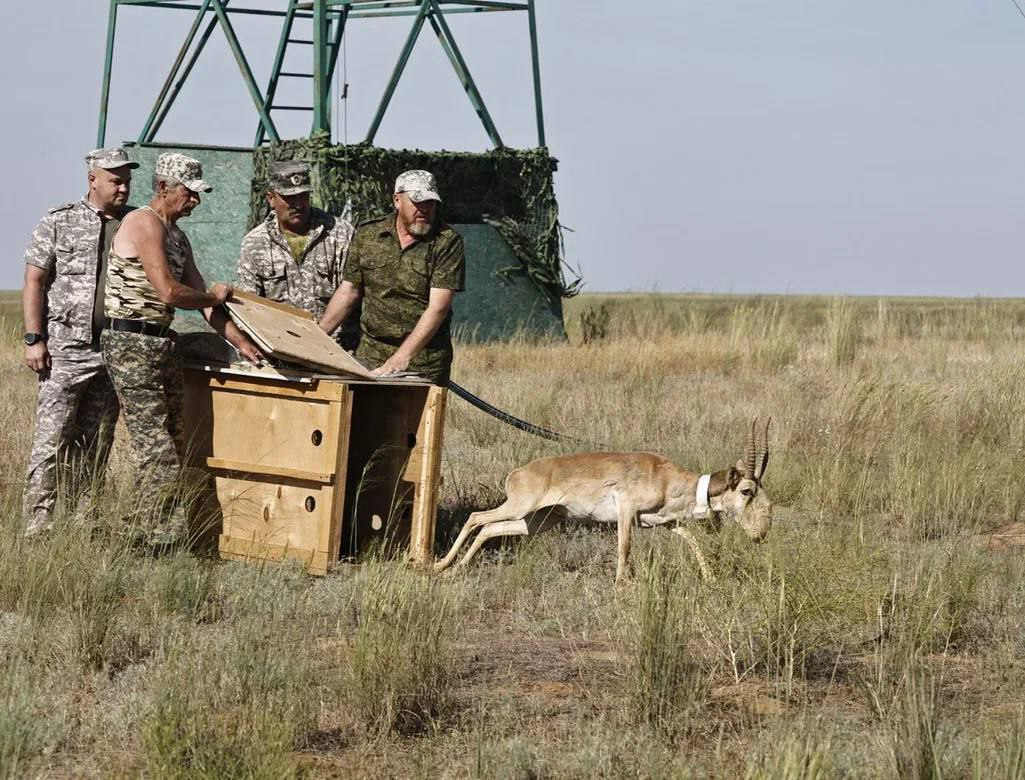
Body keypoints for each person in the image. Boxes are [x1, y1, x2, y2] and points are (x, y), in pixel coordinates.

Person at [101, 152, 262, 545]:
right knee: (157, 453)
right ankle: (137, 541)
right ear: (163, 188)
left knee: (172, 442)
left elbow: (208, 307)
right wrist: (211, 294)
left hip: (161, 344)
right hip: (131, 342)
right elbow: (171, 292)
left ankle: (154, 536)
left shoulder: (178, 236)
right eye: (189, 193)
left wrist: (244, 347)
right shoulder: (143, 223)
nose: (196, 201)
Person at [21, 147, 139, 536]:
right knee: (51, 441)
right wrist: (34, 338)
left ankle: (81, 524)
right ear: (93, 179)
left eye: (127, 180)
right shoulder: (59, 221)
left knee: (97, 443)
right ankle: (37, 527)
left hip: (113, 352)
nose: (123, 187)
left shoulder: (137, 225)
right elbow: (35, 281)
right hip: (65, 351)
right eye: (115, 180)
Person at [318, 170, 465, 384]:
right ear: (397, 200)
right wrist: (318, 335)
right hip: (370, 355)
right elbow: (349, 291)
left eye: (430, 203)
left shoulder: (447, 242)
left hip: (423, 362)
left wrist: (402, 358)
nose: (424, 209)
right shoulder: (369, 235)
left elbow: (438, 308)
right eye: (417, 202)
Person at [235, 161, 357, 348]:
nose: (298, 204)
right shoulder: (255, 243)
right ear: (271, 198)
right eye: (289, 198)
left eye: (303, 196)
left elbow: (352, 293)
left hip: (336, 347)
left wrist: (317, 341)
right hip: (280, 348)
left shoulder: (340, 234)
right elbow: (249, 305)